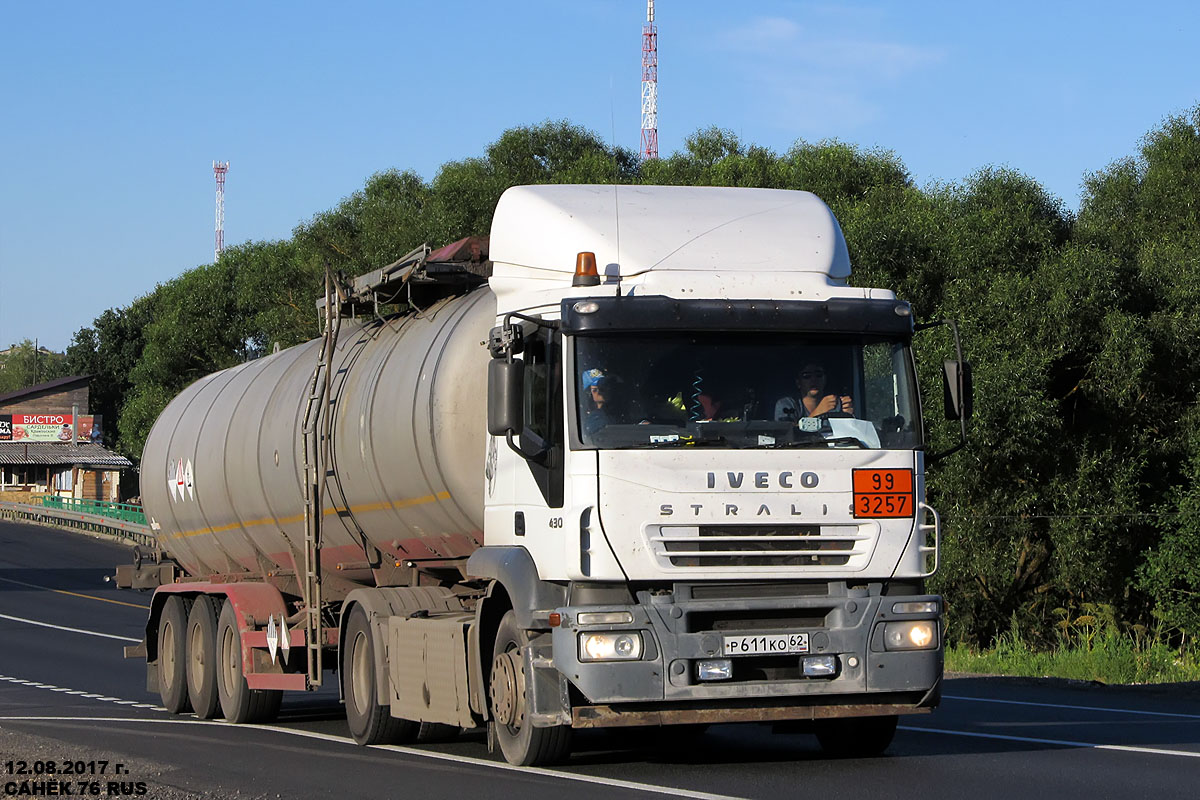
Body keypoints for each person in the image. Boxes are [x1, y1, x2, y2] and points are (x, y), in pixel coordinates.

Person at [774, 363, 854, 422]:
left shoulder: (836, 404)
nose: (814, 380)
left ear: (825, 379)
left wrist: (849, 417)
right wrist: (818, 413)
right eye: (807, 376)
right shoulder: (787, 405)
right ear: (798, 383)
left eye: (818, 375)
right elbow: (786, 436)